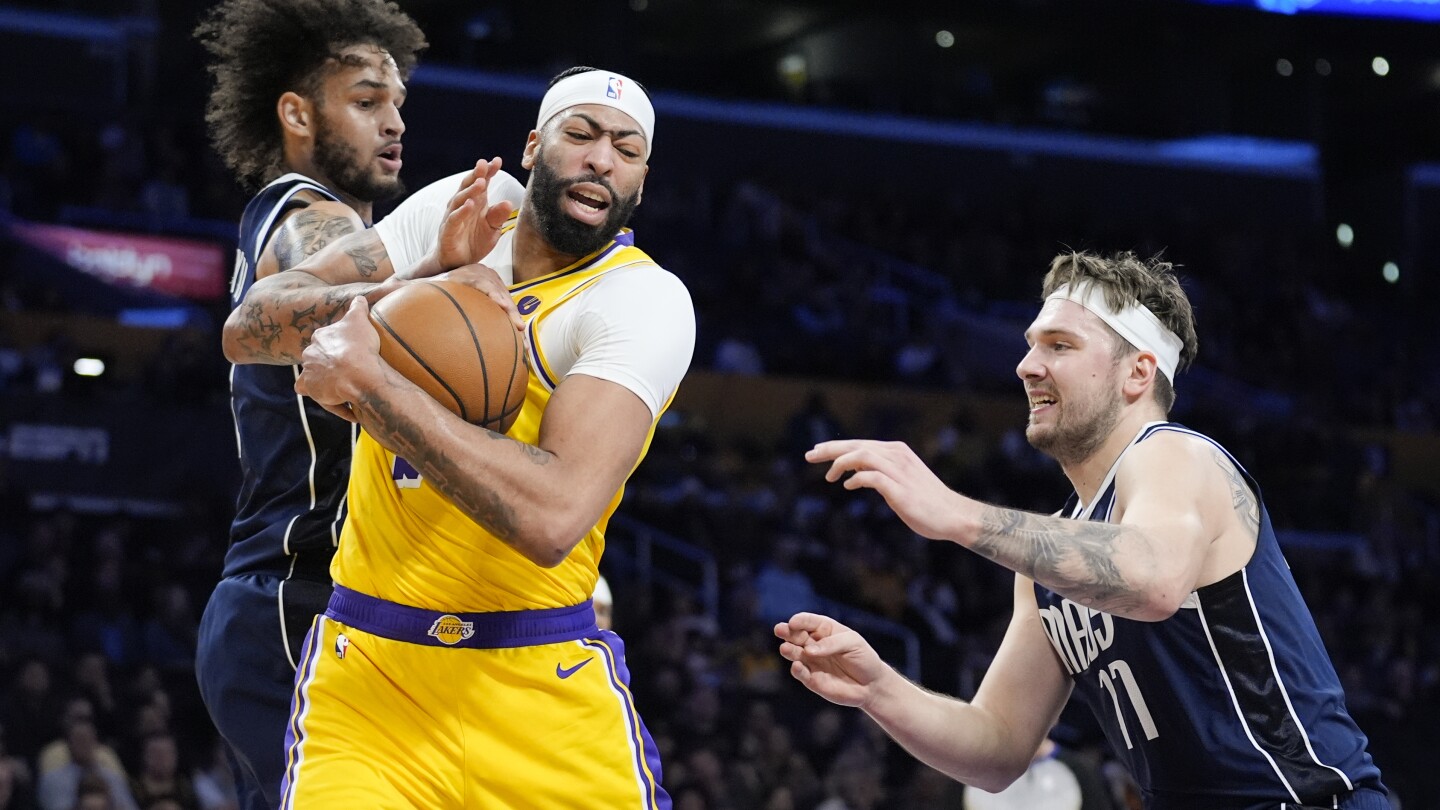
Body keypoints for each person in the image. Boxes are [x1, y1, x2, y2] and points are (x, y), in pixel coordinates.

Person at [779, 251, 1388, 809]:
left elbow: (1152, 579)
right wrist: (880, 688)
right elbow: (997, 749)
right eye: (1030, 344)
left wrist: (956, 514)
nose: (1025, 365)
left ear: (1137, 373)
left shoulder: (1176, 455)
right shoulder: (1054, 556)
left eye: (1060, 346)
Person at [261, 66, 692, 808]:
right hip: (370, 681)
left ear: (641, 183)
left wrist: (374, 385)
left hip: (538, 683)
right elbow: (250, 325)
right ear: (533, 146)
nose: (600, 159)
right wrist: (421, 278)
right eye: (581, 135)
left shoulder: (642, 301)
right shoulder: (464, 207)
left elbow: (552, 517)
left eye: (626, 149)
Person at [190, 4, 457, 809]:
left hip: (313, 607)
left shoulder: (340, 230)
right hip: (294, 596)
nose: (395, 121)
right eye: (368, 100)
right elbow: (324, 275)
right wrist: (452, 263)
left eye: (400, 102)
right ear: (298, 113)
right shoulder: (305, 212)